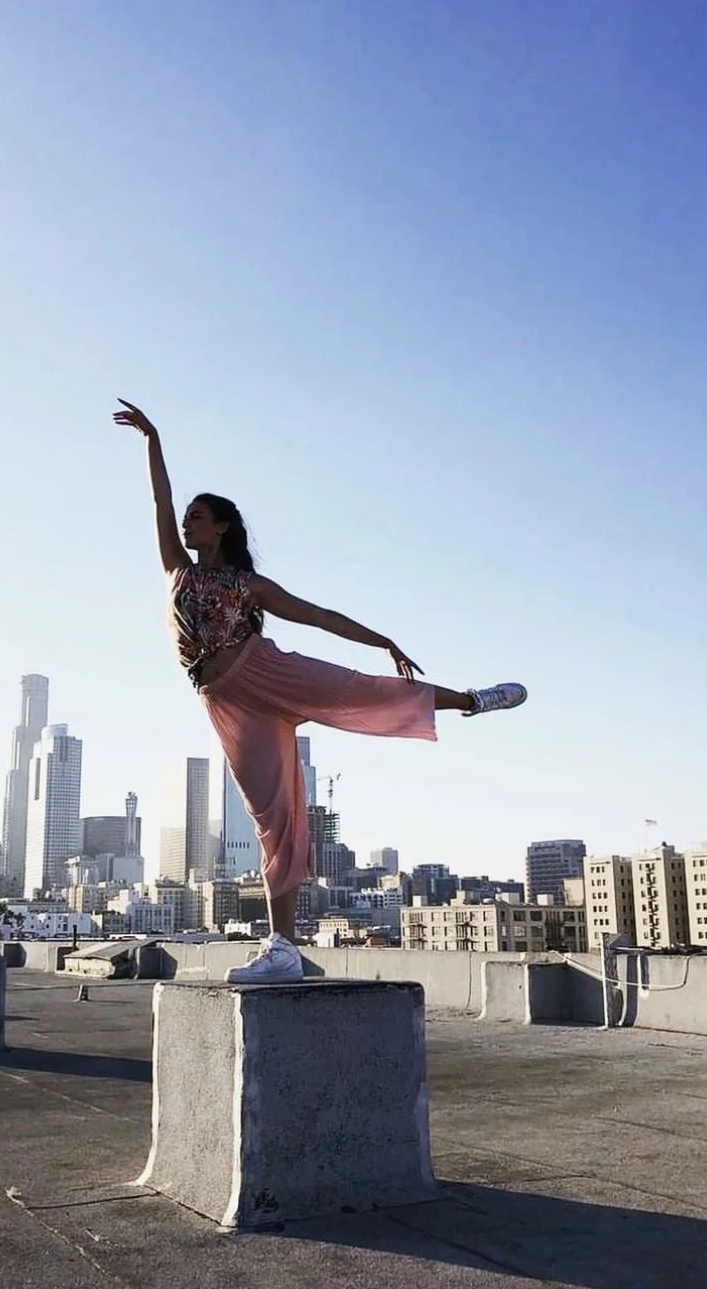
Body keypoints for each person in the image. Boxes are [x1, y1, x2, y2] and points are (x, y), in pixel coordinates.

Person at [114, 398, 527, 983]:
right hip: (225, 702)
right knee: (271, 817)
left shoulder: (247, 583)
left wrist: (382, 638)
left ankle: (470, 700)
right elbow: (158, 500)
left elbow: (318, 616)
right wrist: (151, 440)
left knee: (362, 690)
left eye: (198, 516)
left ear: (223, 526)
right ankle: (283, 947)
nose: (186, 523)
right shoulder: (177, 571)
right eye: (187, 518)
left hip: (265, 670)